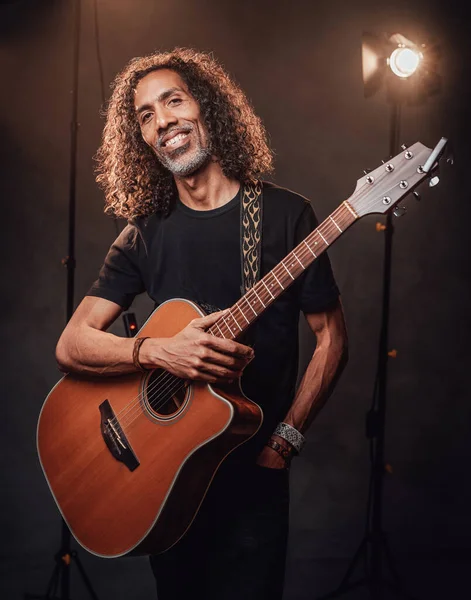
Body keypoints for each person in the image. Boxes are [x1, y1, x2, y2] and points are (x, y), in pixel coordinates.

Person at [55, 48, 348, 600]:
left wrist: (284, 441)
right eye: (145, 115)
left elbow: (331, 338)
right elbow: (72, 344)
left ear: (207, 108)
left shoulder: (288, 217)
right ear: (140, 138)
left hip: (251, 473)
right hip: (162, 477)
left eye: (173, 100)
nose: (162, 120)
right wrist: (156, 353)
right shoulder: (144, 233)